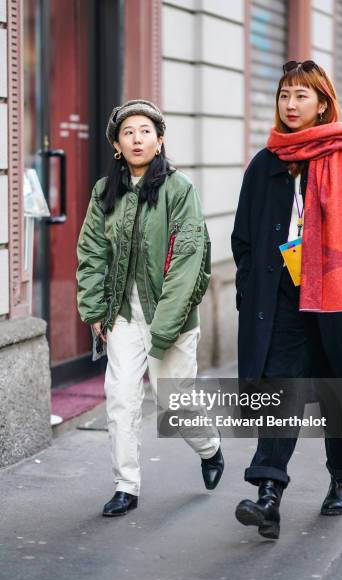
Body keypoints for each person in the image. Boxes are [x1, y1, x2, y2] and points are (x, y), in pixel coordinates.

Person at [231, 61, 342, 539]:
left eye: (302, 95)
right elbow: (244, 234)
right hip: (281, 301)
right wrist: (249, 287)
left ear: (322, 102)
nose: (291, 104)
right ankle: (268, 495)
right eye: (284, 95)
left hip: (339, 298)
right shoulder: (266, 163)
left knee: (338, 391)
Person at [76, 99, 224, 517]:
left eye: (145, 131)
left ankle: (210, 448)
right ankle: (126, 486)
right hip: (122, 315)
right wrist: (94, 309)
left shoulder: (179, 190)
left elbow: (188, 259)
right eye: (128, 132)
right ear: (118, 146)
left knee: (173, 405)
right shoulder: (105, 192)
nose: (137, 138)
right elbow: (92, 252)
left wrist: (165, 328)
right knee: (120, 397)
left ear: (159, 142)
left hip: (171, 319)